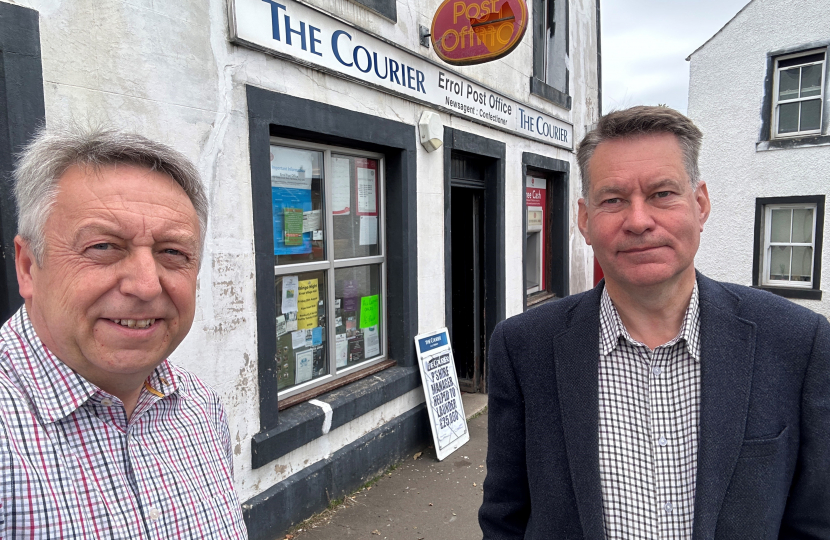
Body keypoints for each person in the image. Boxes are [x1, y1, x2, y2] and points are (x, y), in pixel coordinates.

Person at [479, 106, 830, 539]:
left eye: (663, 194)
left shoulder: (797, 342)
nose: (639, 220)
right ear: (585, 220)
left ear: (700, 204)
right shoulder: (523, 347)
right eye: (613, 200)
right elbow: (504, 516)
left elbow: (816, 520)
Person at [0, 125, 248, 538]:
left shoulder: (200, 407)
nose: (147, 285)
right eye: (103, 247)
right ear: (28, 267)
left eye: (173, 252)